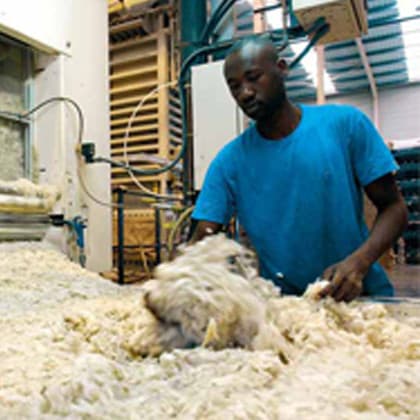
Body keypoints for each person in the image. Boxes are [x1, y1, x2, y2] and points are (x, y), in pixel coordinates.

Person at [190, 37, 408, 302]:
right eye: (234, 87)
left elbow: (394, 208)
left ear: (281, 69)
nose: (245, 93)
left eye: (254, 77)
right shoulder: (229, 163)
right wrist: (177, 279)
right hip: (289, 309)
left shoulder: (344, 126)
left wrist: (358, 263)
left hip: (362, 299)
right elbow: (204, 236)